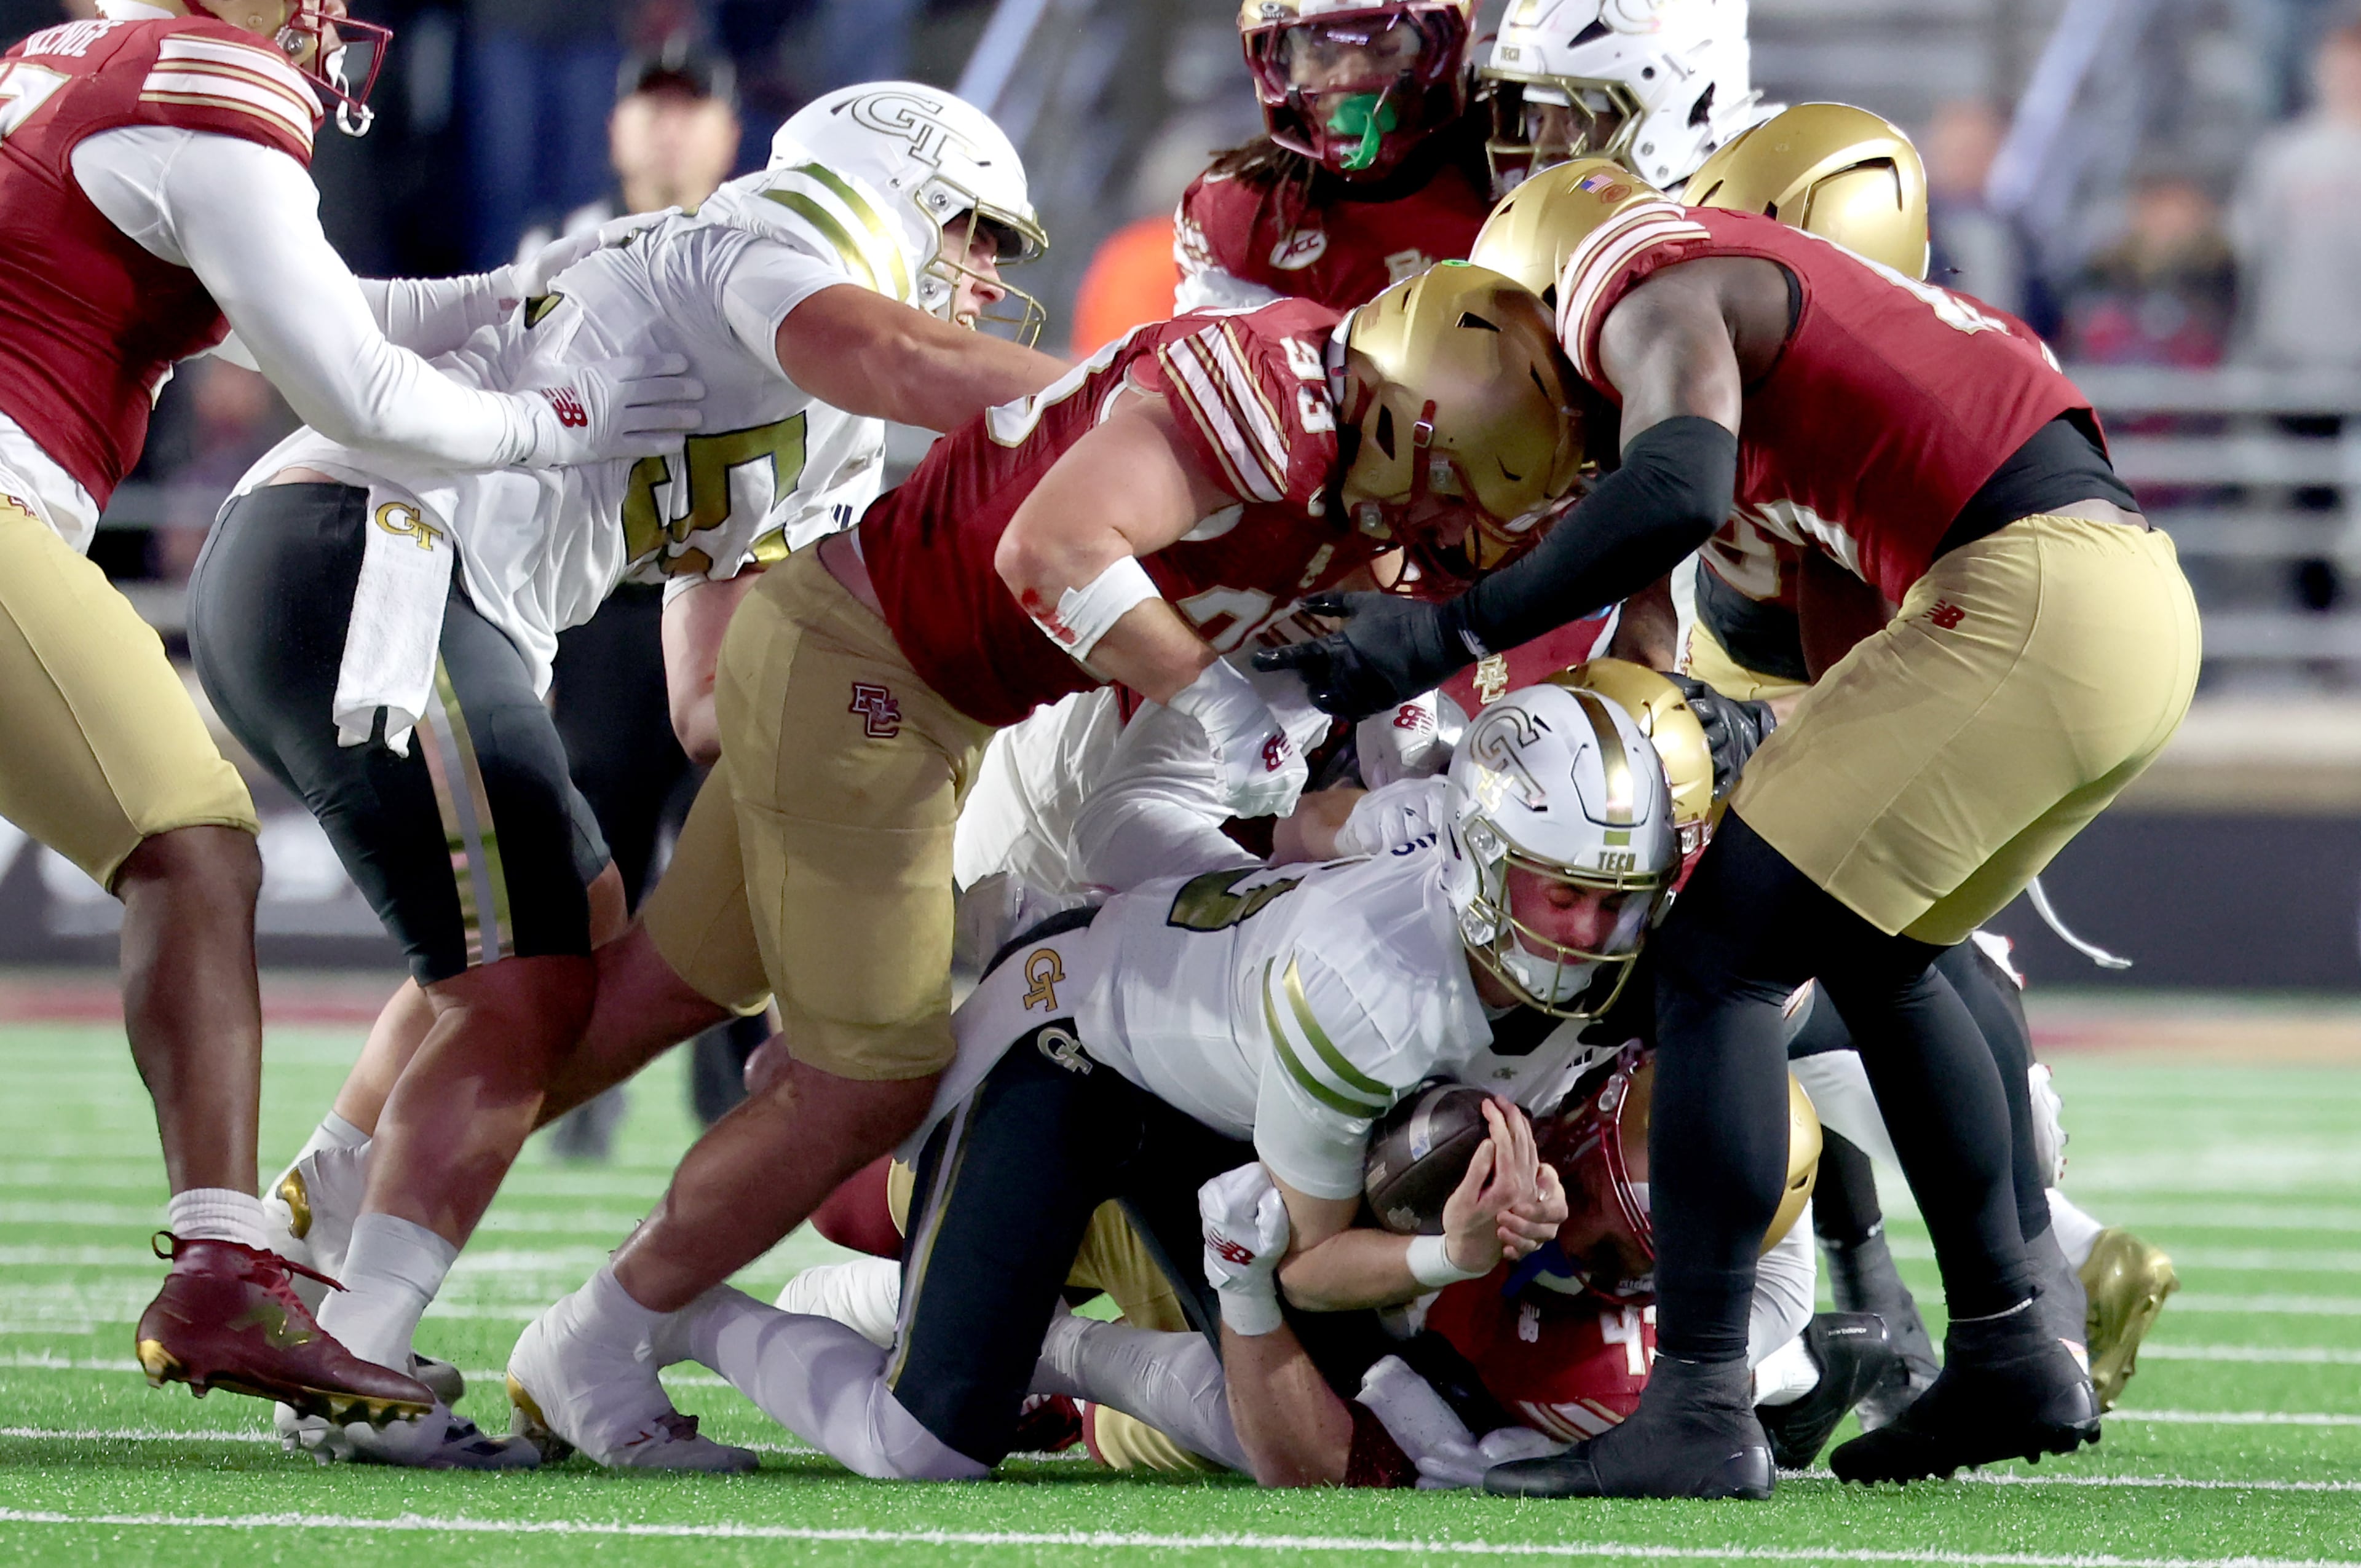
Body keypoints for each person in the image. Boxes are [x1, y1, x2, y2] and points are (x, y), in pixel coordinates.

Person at [497, 262, 1588, 1465]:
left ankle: (391, 1193)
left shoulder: (1379, 574)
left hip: (1185, 1019)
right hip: (1017, 904)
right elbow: (1074, 609)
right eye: (1447, 516)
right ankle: (592, 1309)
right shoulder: (1265, 463)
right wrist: (1279, 818)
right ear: (1397, 436)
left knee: (657, 1007)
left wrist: (1344, 837)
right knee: (862, 1090)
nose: (1448, 554)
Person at [1260, 156, 2200, 1495]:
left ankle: (1698, 1399)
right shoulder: (1806, 310)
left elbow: (1681, 486)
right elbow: (1832, 642)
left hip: (2028, 592)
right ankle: (2011, 1341)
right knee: (1884, 954)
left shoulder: (1639, 279)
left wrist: (1444, 630)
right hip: (2119, 606)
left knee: (1717, 959)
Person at [192, 81, 1061, 1467]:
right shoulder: (766, 236)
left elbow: (714, 700)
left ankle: (312, 1223)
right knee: (522, 987)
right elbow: (880, 351)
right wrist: (1122, 384)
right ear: (889, 186)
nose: (988, 276)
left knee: (571, 947)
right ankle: (347, 1355)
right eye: (972, 231)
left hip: (402, 574)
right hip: (369, 544)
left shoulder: (831, 425)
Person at [0, 0, 699, 1431]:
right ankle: (219, 1268)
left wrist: (516, 294)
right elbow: (349, 384)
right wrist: (550, 423)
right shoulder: (203, 80)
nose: (325, 19)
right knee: (191, 841)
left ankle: (233, 1254)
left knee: (188, 846)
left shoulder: (86, 60)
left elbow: (330, 306)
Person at [511, 681, 1660, 1479]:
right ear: (1485, 862)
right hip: (1071, 1041)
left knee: (1387, 1434)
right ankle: (688, 1317)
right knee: (924, 1448)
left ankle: (999, 1336)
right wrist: (1447, 1252)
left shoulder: (1567, 956)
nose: (1595, 930)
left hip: (1211, 1079)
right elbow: (1305, 1264)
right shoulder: (1368, 988)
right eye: (1565, 892)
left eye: (1620, 899)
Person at [532, 44, 757, 1160]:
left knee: (737, 836)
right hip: (606, 600)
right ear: (619, 128)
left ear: (728, 130)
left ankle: (734, 1097)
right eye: (652, 109)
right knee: (598, 849)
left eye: (691, 110)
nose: (670, 132)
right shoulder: (549, 248)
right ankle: (574, 1081)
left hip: (728, 582)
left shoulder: (769, 248)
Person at [1174, 0, 1491, 313]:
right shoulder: (1239, 216)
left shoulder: (1507, 159)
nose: (1352, 76)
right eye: (1321, 53)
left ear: (1447, 46)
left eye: (1385, 47)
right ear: (1280, 62)